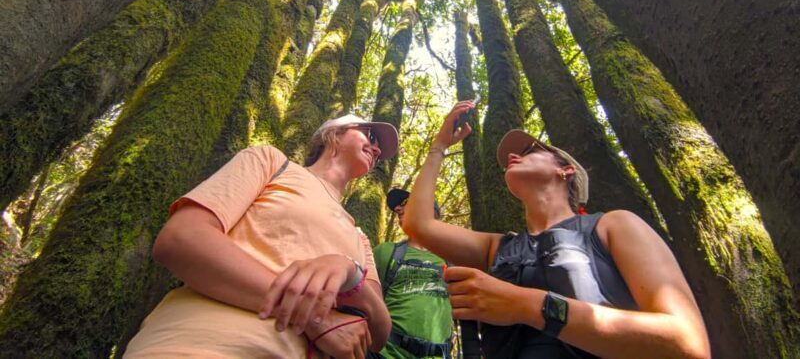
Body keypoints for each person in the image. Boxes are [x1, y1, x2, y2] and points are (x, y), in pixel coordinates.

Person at [401, 101, 711, 359]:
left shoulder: (613, 225)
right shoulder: (498, 248)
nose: (513, 156)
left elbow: (688, 342)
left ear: (566, 169)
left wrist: (524, 304)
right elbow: (418, 224)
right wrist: (440, 146)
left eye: (530, 150)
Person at [125, 114, 396, 358]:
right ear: (335, 133)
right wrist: (315, 318)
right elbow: (181, 238)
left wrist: (349, 270)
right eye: (370, 135)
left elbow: (379, 331)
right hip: (200, 345)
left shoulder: (359, 235)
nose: (377, 149)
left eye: (379, 148)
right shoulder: (273, 163)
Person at [372, 188, 452, 358]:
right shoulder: (385, 252)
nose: (397, 210)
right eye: (396, 209)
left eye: (405, 203)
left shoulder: (454, 258)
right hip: (387, 354)